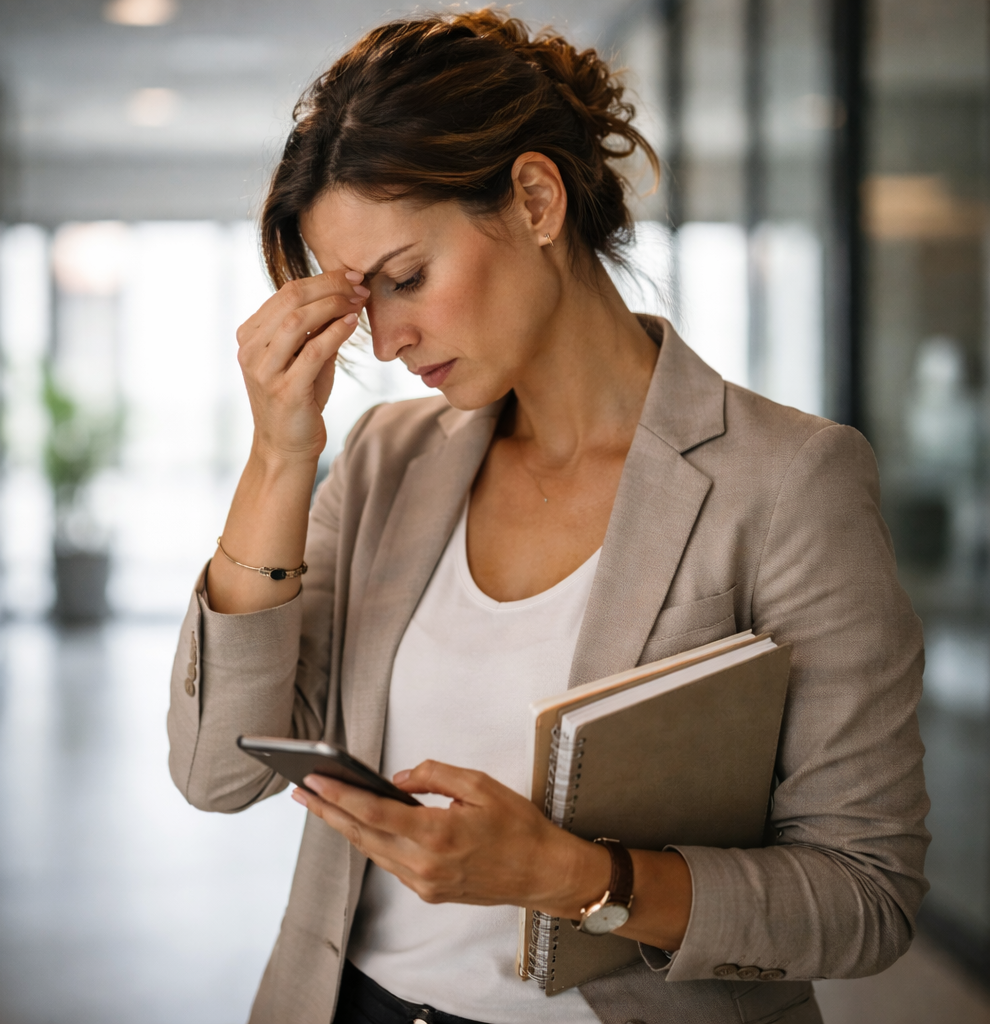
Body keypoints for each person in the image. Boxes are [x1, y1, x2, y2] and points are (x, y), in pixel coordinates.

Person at [167, 9, 930, 1024]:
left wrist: (576, 877)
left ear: (534, 198)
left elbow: (864, 896)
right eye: (361, 304)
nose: (388, 340)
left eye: (407, 278)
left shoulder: (787, 482)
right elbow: (219, 769)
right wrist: (277, 457)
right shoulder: (387, 460)